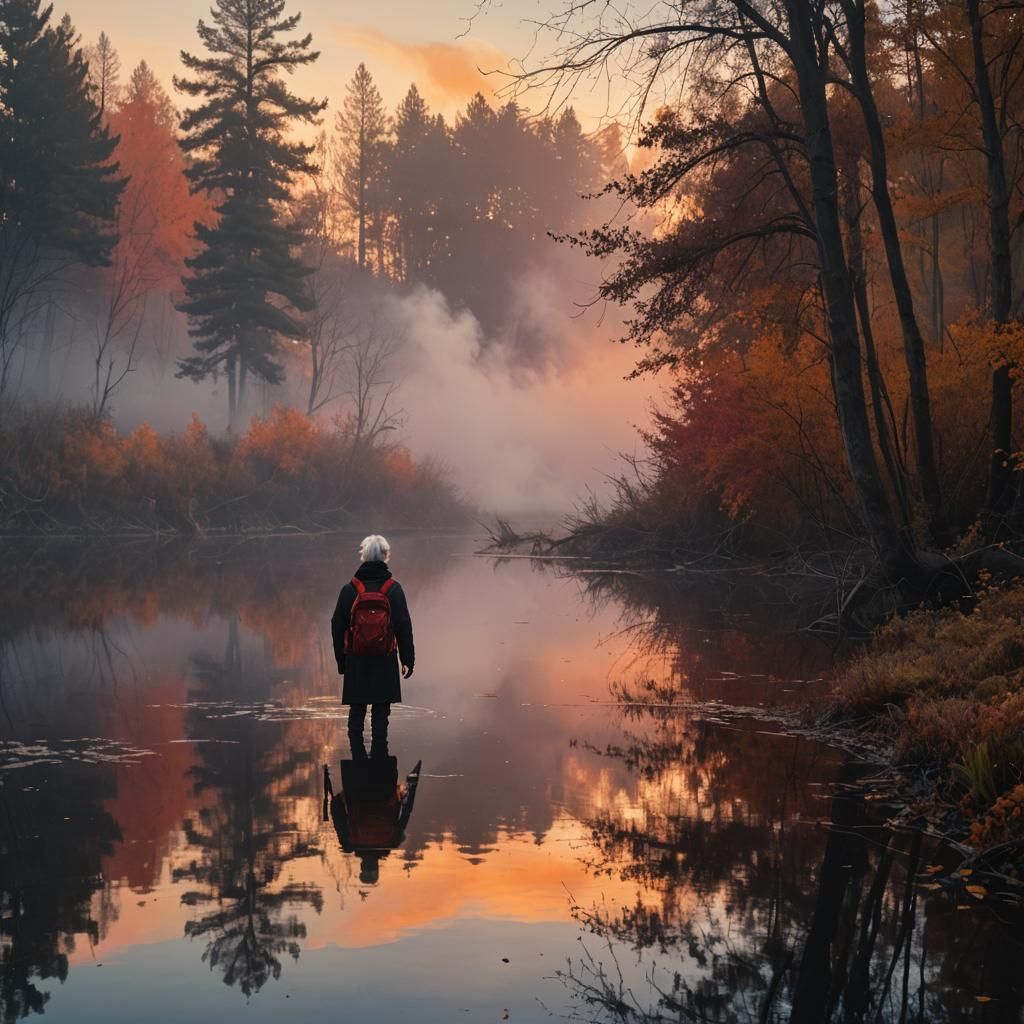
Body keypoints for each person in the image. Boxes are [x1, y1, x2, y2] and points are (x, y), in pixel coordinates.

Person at [331, 534, 414, 743]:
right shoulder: (394, 589)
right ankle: (380, 766)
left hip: (356, 659)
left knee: (356, 711)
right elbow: (404, 626)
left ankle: (355, 763)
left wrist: (342, 660)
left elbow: (336, 626)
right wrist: (407, 660)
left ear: (364, 557)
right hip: (384, 659)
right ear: (386, 556)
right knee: (381, 714)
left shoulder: (349, 590)